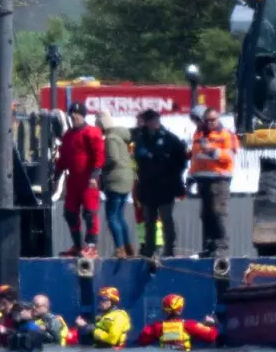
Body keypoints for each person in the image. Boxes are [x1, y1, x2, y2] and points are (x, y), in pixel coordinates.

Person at [132, 109, 187, 259]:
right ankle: (150, 250)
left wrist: (170, 172)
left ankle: (169, 249)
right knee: (149, 220)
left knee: (166, 218)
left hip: (165, 186)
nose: (150, 123)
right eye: (148, 120)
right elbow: (139, 155)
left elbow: (181, 160)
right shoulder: (140, 137)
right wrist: (151, 158)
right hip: (147, 186)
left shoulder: (169, 139)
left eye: (153, 120)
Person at [55, 102, 105, 258]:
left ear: (83, 116)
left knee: (90, 213)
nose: (74, 117)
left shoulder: (92, 132)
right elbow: (63, 157)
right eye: (72, 114)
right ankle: (77, 246)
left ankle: (92, 246)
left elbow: (99, 155)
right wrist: (56, 174)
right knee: (69, 213)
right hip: (73, 180)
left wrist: (95, 175)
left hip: (88, 179)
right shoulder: (68, 135)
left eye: (77, 114)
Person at [188, 106, 238, 259]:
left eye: (213, 120)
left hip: (219, 179)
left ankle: (222, 248)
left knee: (218, 213)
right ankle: (208, 247)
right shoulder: (199, 133)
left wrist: (213, 151)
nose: (210, 123)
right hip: (203, 180)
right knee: (206, 215)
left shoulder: (226, 134)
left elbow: (229, 156)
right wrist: (190, 177)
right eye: (207, 120)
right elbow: (195, 158)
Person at [98, 109, 136, 257]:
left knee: (112, 216)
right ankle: (128, 247)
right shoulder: (120, 136)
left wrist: (100, 165)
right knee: (120, 216)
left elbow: (112, 158)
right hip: (126, 179)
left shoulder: (110, 138)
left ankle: (120, 249)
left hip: (115, 180)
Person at [136, 294, 219, 350]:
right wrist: (211, 324)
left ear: (164, 309)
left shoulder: (156, 328)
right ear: (180, 309)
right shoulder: (190, 325)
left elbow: (143, 340)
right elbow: (211, 335)